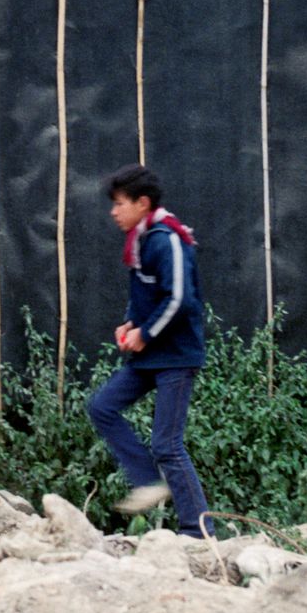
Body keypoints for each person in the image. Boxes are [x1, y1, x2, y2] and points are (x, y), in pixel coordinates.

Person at [85, 165, 211, 539]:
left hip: (176, 356)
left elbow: (179, 299)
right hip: (151, 355)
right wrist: (129, 324)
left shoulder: (166, 239)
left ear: (143, 203)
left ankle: (199, 533)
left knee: (167, 445)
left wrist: (146, 331)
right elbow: (147, 294)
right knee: (102, 407)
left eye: (120, 203)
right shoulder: (141, 238)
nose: (113, 211)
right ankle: (148, 482)